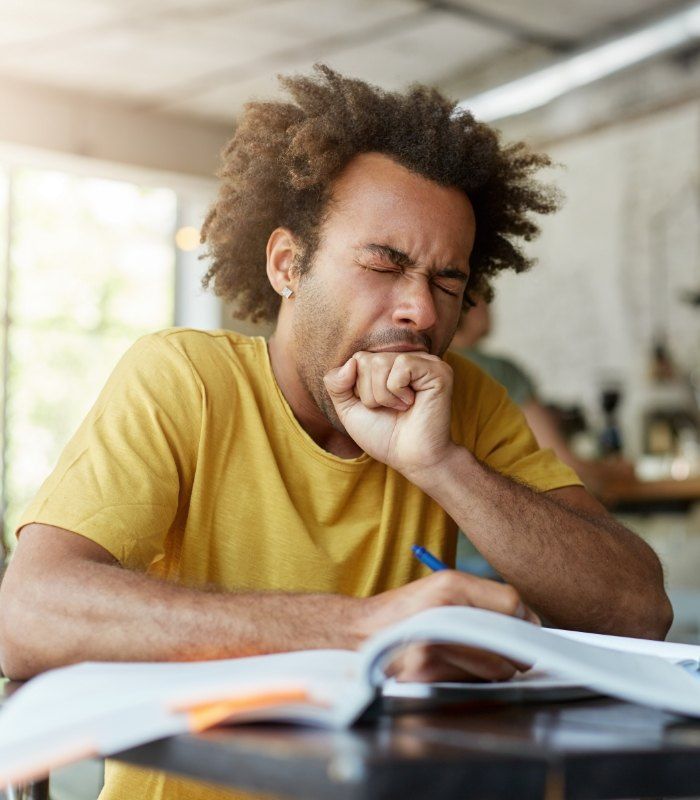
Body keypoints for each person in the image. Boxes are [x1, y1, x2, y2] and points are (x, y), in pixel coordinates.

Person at [0, 66, 671, 800]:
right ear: (289, 264)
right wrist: (362, 630)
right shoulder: (186, 378)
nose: (419, 308)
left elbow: (637, 612)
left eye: (449, 282)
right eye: (385, 264)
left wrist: (443, 462)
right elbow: (26, 615)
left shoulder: (465, 400)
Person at [450, 295, 637, 495]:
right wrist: (616, 471)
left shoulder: (434, 364)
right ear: (466, 304)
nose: (491, 307)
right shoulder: (501, 371)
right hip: (503, 510)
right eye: (485, 298)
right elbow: (560, 462)